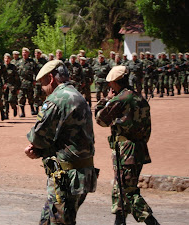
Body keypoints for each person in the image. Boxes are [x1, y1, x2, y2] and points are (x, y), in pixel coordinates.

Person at [25, 60, 97, 225]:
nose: (43, 89)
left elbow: (37, 136)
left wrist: (34, 148)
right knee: (48, 220)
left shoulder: (57, 99)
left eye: (43, 84)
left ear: (51, 78)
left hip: (65, 178)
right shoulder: (77, 95)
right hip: (80, 174)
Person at [95, 66, 160, 225]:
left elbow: (100, 119)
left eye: (111, 84)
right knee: (120, 187)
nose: (110, 87)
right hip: (138, 149)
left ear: (116, 84)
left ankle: (151, 222)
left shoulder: (121, 99)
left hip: (125, 151)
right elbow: (147, 129)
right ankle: (119, 221)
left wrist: (105, 100)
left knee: (128, 191)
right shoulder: (140, 98)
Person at [17, 47, 37, 117]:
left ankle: (32, 109)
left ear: (28, 53)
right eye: (23, 52)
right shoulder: (19, 62)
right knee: (21, 98)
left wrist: (34, 80)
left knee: (30, 97)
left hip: (29, 83)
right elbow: (16, 73)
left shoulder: (31, 62)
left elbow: (35, 72)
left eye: (25, 52)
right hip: (21, 83)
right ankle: (22, 112)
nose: (24, 54)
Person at [3, 53, 20, 118]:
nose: (6, 60)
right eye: (5, 58)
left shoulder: (13, 67)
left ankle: (14, 108)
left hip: (12, 86)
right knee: (5, 100)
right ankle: (6, 114)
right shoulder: (2, 67)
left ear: (10, 59)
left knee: (11, 99)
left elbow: (17, 78)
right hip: (4, 86)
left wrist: (18, 88)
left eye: (8, 58)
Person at [33, 49, 47, 114]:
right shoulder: (32, 61)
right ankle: (36, 109)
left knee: (43, 96)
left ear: (40, 54)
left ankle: (43, 110)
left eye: (38, 53)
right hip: (36, 81)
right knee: (35, 95)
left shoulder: (44, 61)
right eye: (35, 53)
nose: (36, 54)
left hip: (43, 81)